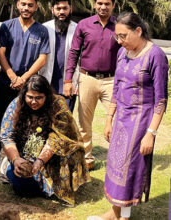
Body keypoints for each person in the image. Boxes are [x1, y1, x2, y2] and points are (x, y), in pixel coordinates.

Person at [89, 12, 169, 220]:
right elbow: (117, 86)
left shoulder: (156, 56)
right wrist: (108, 119)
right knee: (116, 165)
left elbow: (161, 100)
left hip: (141, 123)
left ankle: (122, 216)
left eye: (123, 36)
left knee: (129, 169)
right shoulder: (122, 53)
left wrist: (150, 133)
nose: (120, 41)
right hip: (121, 120)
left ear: (138, 31)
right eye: (117, 36)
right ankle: (116, 213)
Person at [0, 75, 90, 205]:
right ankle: (7, 166)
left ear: (46, 96)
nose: (34, 102)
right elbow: (6, 136)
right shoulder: (17, 104)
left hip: (52, 154)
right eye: (30, 97)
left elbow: (58, 139)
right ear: (24, 95)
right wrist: (16, 160)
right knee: (22, 186)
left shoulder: (57, 104)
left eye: (39, 98)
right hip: (23, 153)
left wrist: (39, 161)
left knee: (71, 154)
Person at [0, 0, 50, 168]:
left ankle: (20, 156)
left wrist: (24, 79)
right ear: (17, 5)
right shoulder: (7, 26)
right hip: (6, 82)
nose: (26, 8)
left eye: (30, 5)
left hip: (29, 86)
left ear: (36, 7)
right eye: (23, 4)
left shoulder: (41, 31)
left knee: (25, 120)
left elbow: (42, 58)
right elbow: (0, 53)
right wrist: (12, 76)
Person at [63, 0, 121, 170]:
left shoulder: (119, 26)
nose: (103, 7)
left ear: (113, 5)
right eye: (100, 3)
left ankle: (117, 160)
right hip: (86, 78)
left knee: (118, 119)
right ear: (94, 5)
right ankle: (86, 159)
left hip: (112, 80)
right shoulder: (84, 25)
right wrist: (68, 80)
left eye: (107, 4)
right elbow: (74, 53)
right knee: (84, 122)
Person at [39, 0, 78, 112]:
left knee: (65, 120)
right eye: (58, 9)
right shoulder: (44, 28)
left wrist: (77, 83)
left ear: (70, 9)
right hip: (47, 81)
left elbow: (80, 59)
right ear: (52, 10)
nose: (62, 12)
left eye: (65, 8)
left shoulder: (77, 29)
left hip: (68, 84)